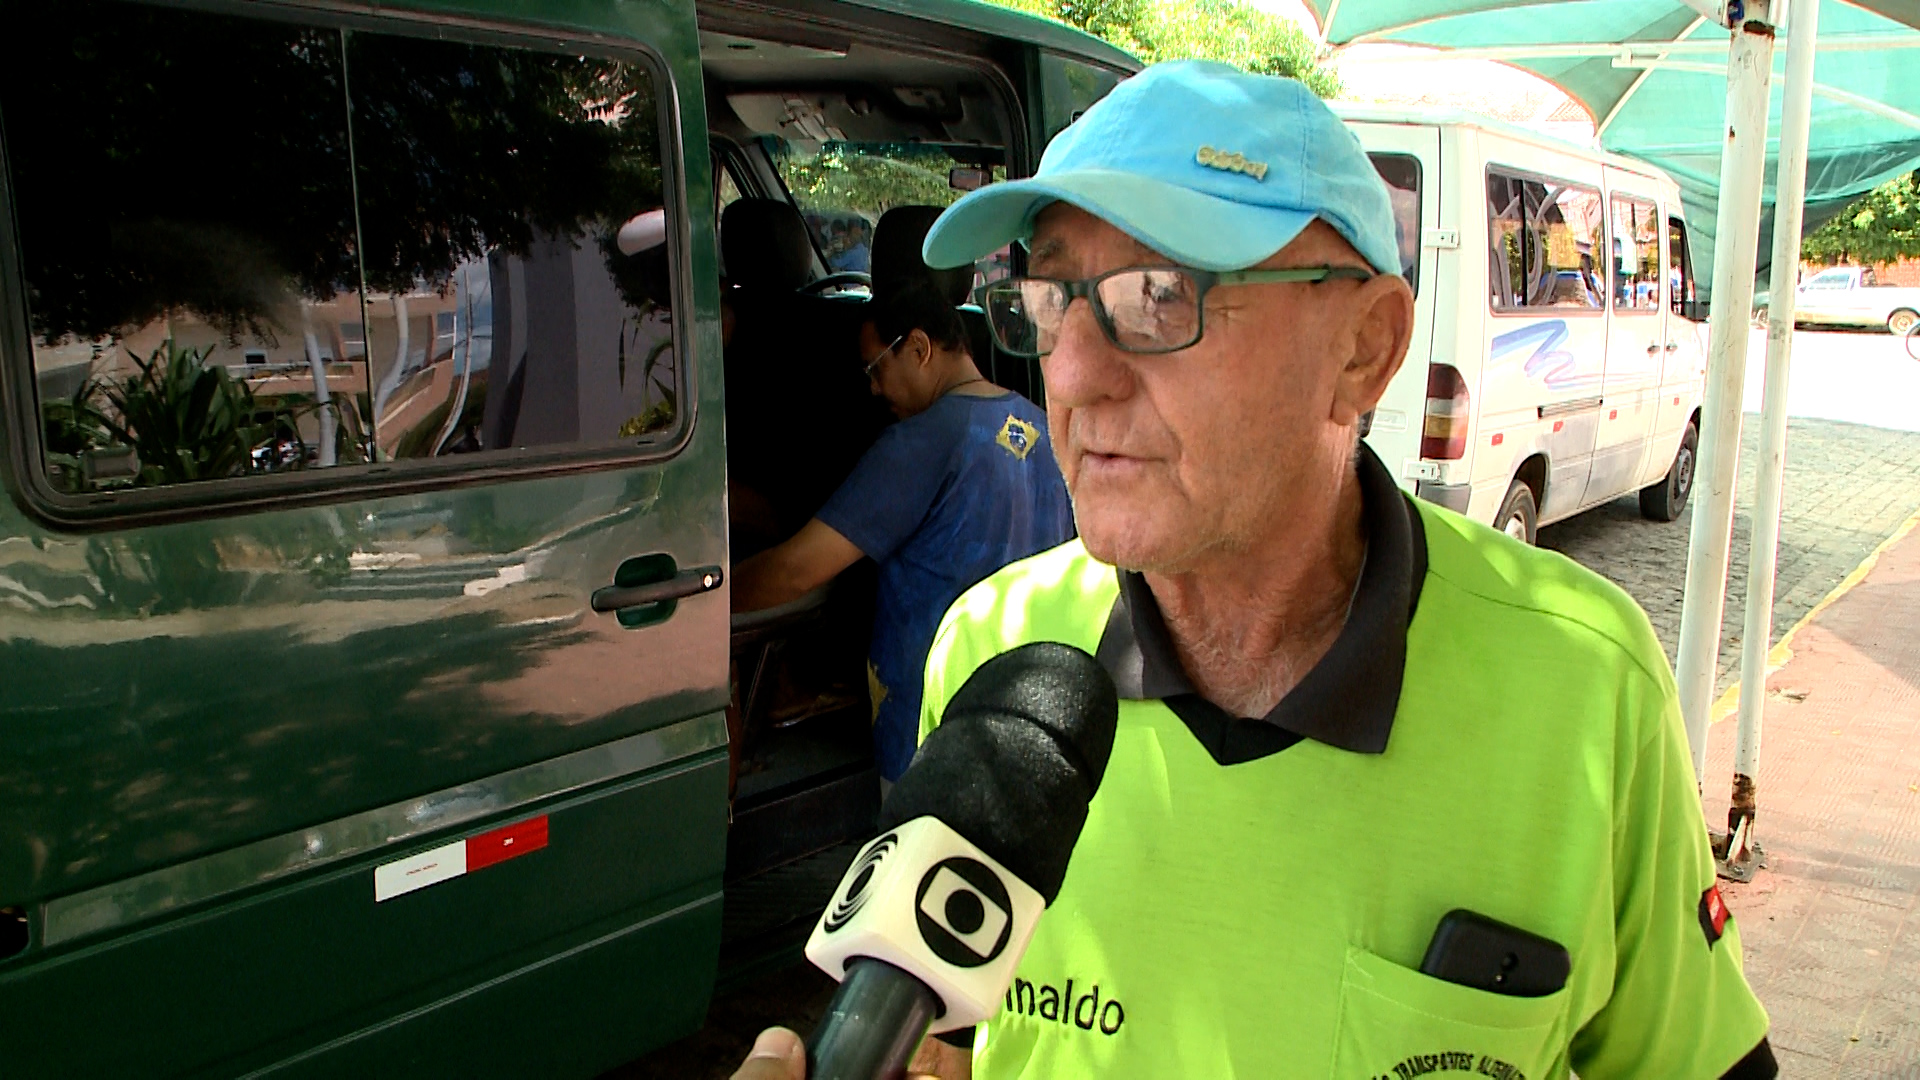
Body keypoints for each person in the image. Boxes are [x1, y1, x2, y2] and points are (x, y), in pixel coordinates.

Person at [735, 60, 1774, 1080]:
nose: (1077, 378)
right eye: (1052, 302)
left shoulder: (1586, 688)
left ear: (1366, 347)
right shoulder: (996, 649)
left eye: (1159, 297)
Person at [730, 283, 1074, 788]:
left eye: (875, 369)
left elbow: (796, 571)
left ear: (918, 347)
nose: (872, 389)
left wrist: (710, 600)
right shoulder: (1044, 429)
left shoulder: (920, 442)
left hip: (929, 727)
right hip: (1028, 711)